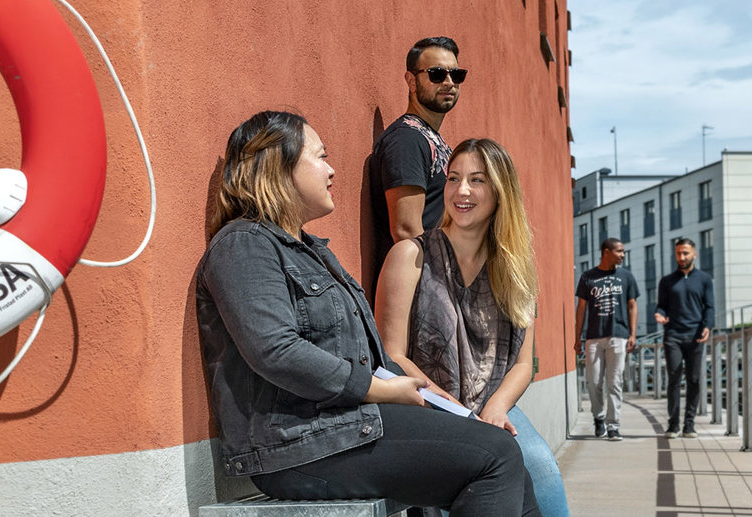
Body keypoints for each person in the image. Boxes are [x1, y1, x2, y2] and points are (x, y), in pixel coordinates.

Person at [196, 111, 537, 516]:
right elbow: (276, 352)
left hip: (342, 428)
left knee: (509, 463)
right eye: (320, 156)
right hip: (296, 447)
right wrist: (381, 390)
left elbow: (373, 358)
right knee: (496, 455)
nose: (331, 170)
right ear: (279, 167)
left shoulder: (313, 252)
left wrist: (434, 398)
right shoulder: (243, 244)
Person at [376, 138, 570, 516]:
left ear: (500, 192)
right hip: (429, 405)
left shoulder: (515, 268)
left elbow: (523, 364)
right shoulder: (410, 256)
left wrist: (497, 409)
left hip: (492, 407)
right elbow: (391, 355)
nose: (461, 190)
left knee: (542, 469)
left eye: (477, 180)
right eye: (453, 178)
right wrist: (451, 408)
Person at [370, 36, 466, 280]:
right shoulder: (407, 139)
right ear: (411, 81)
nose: (449, 82)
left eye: (456, 75)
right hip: (416, 289)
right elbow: (406, 231)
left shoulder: (432, 139)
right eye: (437, 74)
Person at [573, 238, 639, 441]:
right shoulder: (588, 277)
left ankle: (613, 426)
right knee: (594, 382)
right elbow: (581, 309)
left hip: (618, 336)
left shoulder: (626, 276)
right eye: (619, 251)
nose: (623, 255)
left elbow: (632, 306)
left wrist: (632, 334)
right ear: (606, 252)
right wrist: (577, 337)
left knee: (615, 382)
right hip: (593, 338)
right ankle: (598, 417)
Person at [654, 238, 715, 439]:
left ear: (694, 254)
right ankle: (673, 425)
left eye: (685, 253)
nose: (682, 257)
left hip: (695, 336)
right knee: (674, 377)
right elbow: (661, 305)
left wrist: (707, 326)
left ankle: (689, 425)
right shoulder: (666, 281)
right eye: (678, 253)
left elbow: (709, 307)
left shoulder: (704, 279)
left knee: (694, 379)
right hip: (673, 335)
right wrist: (660, 314)